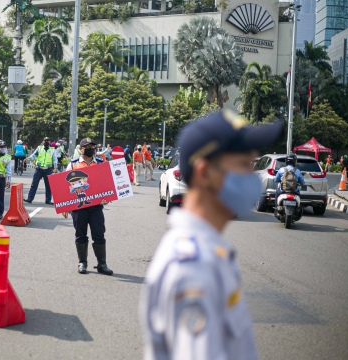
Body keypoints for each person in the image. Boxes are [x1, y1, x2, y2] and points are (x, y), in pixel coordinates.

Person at [140, 111, 284, 360]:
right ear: (205, 172)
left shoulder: (206, 251)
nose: (251, 178)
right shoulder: (194, 268)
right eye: (243, 165)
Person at [62, 138, 112, 275]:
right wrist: (65, 206)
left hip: (96, 207)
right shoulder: (72, 165)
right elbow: (64, 185)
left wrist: (107, 198)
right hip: (79, 207)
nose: (91, 148)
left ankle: (102, 264)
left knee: (99, 234)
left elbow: (106, 183)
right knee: (80, 234)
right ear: (81, 149)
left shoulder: (101, 163)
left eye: (93, 146)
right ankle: (82, 262)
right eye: (88, 146)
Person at [24, 137, 58, 204]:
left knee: (48, 186)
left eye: (48, 141)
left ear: (50, 142)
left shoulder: (52, 150)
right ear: (42, 141)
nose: (46, 142)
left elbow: (54, 159)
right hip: (39, 169)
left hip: (48, 169)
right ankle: (30, 198)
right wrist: (28, 159)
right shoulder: (39, 148)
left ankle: (48, 200)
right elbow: (34, 155)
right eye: (45, 141)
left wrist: (55, 167)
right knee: (34, 184)